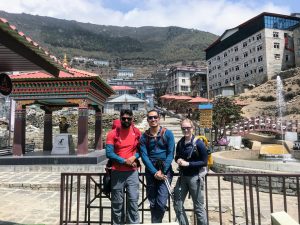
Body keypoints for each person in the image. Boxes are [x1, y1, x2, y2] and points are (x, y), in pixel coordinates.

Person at [105, 109, 141, 224]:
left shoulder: (137, 132)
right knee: (117, 204)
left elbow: (141, 150)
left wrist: (134, 157)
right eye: (124, 118)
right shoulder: (112, 134)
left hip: (132, 173)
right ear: (120, 119)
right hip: (117, 173)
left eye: (128, 118)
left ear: (132, 119)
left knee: (133, 202)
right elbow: (109, 153)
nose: (126, 120)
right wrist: (125, 161)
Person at [140, 109, 175, 223]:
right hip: (151, 171)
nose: (153, 119)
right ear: (147, 119)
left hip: (165, 169)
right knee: (152, 201)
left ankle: (155, 222)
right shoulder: (144, 137)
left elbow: (170, 153)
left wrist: (162, 171)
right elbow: (144, 156)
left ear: (159, 118)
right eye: (150, 118)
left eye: (155, 117)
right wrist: (154, 171)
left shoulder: (167, 133)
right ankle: (155, 222)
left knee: (161, 202)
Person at [173, 118, 208, 225]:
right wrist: (178, 159)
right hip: (182, 177)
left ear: (192, 128)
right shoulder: (180, 143)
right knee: (177, 204)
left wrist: (189, 164)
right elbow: (177, 156)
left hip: (195, 178)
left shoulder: (199, 143)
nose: (186, 130)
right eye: (183, 128)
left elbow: (204, 162)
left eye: (188, 128)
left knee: (198, 208)